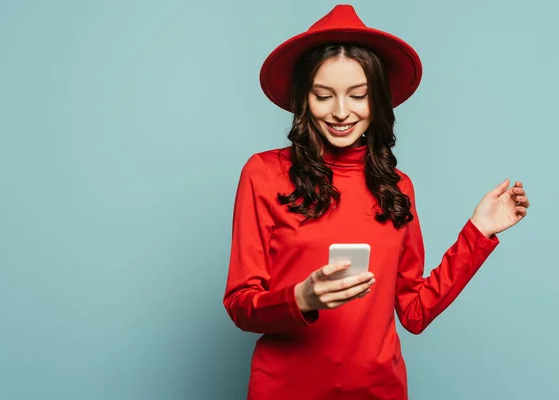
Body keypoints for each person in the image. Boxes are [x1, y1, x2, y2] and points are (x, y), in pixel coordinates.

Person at [223, 4, 530, 400]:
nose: (340, 112)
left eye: (358, 96)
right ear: (303, 99)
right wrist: (302, 298)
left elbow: (415, 312)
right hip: (286, 389)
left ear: (379, 100)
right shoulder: (263, 173)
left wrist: (479, 231)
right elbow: (240, 304)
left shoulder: (397, 186)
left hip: (378, 390)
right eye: (323, 95)